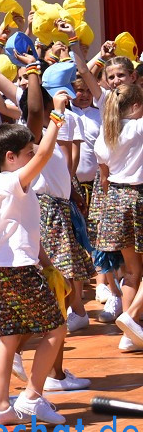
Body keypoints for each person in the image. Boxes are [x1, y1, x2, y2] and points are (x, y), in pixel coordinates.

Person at [0, 94, 71, 425]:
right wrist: (58, 116)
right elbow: (47, 152)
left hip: (6, 269)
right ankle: (33, 397)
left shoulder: (9, 185)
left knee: (9, 337)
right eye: (28, 153)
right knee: (56, 328)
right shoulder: (13, 181)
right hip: (18, 270)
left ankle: (1, 406)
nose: (34, 157)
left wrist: (46, 261)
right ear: (11, 157)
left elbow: (21, 232)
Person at [94, 83, 143, 349]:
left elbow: (103, 176)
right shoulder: (139, 128)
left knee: (132, 272)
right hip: (138, 196)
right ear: (135, 106)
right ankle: (131, 317)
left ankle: (129, 335)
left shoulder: (106, 132)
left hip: (114, 199)